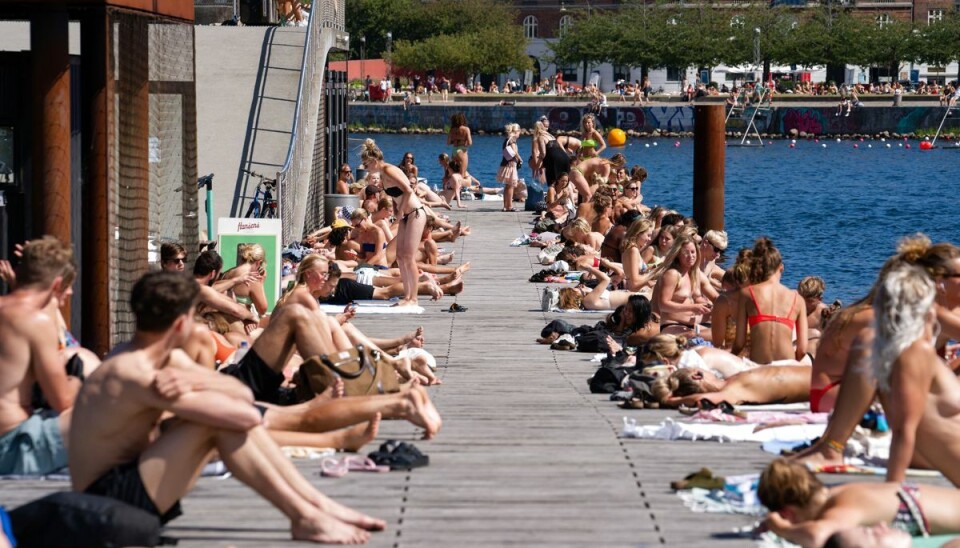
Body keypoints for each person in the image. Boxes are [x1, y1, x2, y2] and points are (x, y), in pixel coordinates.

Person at [69, 272, 383, 543]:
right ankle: (305, 514)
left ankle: (315, 506)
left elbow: (239, 394)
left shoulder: (162, 358)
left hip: (136, 485)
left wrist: (210, 386)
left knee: (220, 418)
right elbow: (245, 412)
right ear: (181, 325)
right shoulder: (134, 371)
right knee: (216, 423)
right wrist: (216, 394)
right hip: (108, 504)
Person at [0, 237, 79, 475]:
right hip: (12, 446)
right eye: (67, 286)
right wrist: (79, 382)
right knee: (114, 412)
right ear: (56, 285)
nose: (71, 291)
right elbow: (62, 401)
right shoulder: (36, 321)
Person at [758, 458, 960, 547]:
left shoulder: (842, 508)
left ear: (789, 512)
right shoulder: (838, 493)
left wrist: (782, 529)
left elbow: (818, 537)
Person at [360, 139, 425, 307]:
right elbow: (396, 197)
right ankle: (407, 295)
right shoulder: (382, 174)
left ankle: (414, 298)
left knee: (409, 257)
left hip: (415, 213)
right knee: (401, 256)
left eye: (367, 165)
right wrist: (397, 211)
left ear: (374, 161)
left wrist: (401, 212)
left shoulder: (388, 170)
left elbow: (408, 189)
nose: (366, 168)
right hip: (405, 215)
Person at [732, 237, 808, 364]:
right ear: (781, 267)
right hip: (787, 369)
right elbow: (802, 350)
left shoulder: (747, 293)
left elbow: (740, 343)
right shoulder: (798, 299)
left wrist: (731, 357)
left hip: (758, 367)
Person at [649, 232, 716, 339]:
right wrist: (692, 307)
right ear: (678, 254)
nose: (691, 256)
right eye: (686, 253)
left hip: (692, 326)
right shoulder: (672, 274)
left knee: (724, 335)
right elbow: (663, 304)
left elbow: (711, 297)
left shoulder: (694, 273)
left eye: (693, 252)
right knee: (714, 337)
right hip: (672, 326)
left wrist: (709, 306)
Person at [651, 364, 811, 408]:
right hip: (824, 385)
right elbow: (703, 398)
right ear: (697, 376)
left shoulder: (731, 383)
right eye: (698, 368)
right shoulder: (732, 391)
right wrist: (672, 401)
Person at [497, 123, 522, 212]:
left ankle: (505, 206)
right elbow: (514, 152)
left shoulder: (506, 139)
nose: (520, 133)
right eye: (519, 131)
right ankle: (510, 206)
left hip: (504, 163)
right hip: (511, 164)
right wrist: (520, 159)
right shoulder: (513, 139)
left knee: (507, 186)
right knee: (511, 186)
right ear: (516, 131)